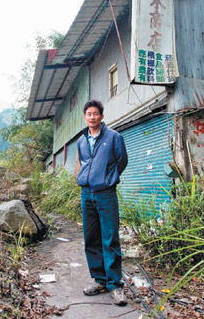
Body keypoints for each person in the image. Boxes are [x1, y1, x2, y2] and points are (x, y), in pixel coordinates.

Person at [75, 99, 128, 306]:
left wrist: (108, 179)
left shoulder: (114, 137)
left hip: (106, 193)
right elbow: (83, 163)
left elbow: (122, 160)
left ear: (101, 116)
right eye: (88, 113)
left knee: (110, 238)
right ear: (85, 116)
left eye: (95, 113)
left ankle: (115, 285)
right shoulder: (81, 140)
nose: (92, 117)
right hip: (86, 193)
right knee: (91, 238)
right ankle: (100, 280)